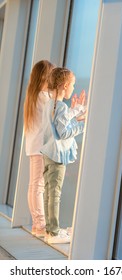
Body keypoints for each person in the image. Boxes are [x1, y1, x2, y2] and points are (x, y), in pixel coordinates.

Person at [41, 67, 87, 244]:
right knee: (55, 193)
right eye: (72, 85)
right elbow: (63, 133)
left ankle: (50, 230)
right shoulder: (59, 106)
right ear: (64, 85)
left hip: (48, 153)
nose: (73, 89)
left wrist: (77, 111)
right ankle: (53, 233)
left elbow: (63, 119)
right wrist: (84, 125)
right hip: (56, 156)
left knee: (49, 192)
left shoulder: (50, 104)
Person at [23, 60, 55, 237]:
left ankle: (38, 224)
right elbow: (53, 118)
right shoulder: (43, 97)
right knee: (37, 186)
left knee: (35, 185)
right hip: (40, 148)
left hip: (35, 147)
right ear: (44, 77)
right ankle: (39, 224)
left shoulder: (34, 96)